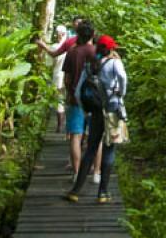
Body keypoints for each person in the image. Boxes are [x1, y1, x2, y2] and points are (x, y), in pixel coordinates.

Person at [64, 34, 127, 204]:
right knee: (109, 149)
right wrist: (120, 95)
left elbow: (78, 92)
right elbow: (123, 79)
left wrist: (86, 110)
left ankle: (76, 191)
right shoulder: (115, 63)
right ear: (111, 48)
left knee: (91, 148)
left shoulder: (90, 65)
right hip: (112, 110)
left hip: (96, 112)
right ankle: (103, 193)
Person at [62, 20, 96, 182]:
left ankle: (76, 173)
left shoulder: (72, 52)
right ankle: (96, 172)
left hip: (75, 100)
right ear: (93, 34)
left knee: (75, 136)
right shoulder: (97, 52)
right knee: (95, 137)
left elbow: (67, 79)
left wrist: (69, 93)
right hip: (94, 101)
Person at [48, 24, 68, 132]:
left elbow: (49, 63)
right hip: (69, 76)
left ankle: (60, 126)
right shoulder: (71, 46)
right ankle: (66, 126)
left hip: (58, 76)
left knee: (59, 101)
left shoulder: (55, 47)